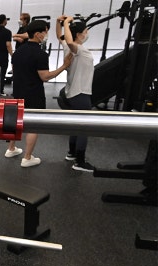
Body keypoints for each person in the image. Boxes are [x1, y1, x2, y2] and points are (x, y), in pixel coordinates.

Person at [5, 19, 73, 167]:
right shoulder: (41, 54)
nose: (46, 34)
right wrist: (64, 66)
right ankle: (27, 158)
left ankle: (11, 149)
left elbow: (16, 72)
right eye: (45, 32)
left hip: (17, 91)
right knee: (33, 125)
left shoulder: (17, 52)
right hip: (33, 93)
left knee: (16, 121)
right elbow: (45, 77)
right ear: (37, 34)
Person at [55, 15, 95, 172]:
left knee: (75, 125)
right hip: (81, 94)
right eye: (85, 31)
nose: (86, 33)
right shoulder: (77, 49)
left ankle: (71, 153)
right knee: (84, 128)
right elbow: (69, 40)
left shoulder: (68, 47)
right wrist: (65, 22)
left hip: (72, 93)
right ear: (79, 34)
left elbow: (60, 36)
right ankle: (80, 162)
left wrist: (58, 22)